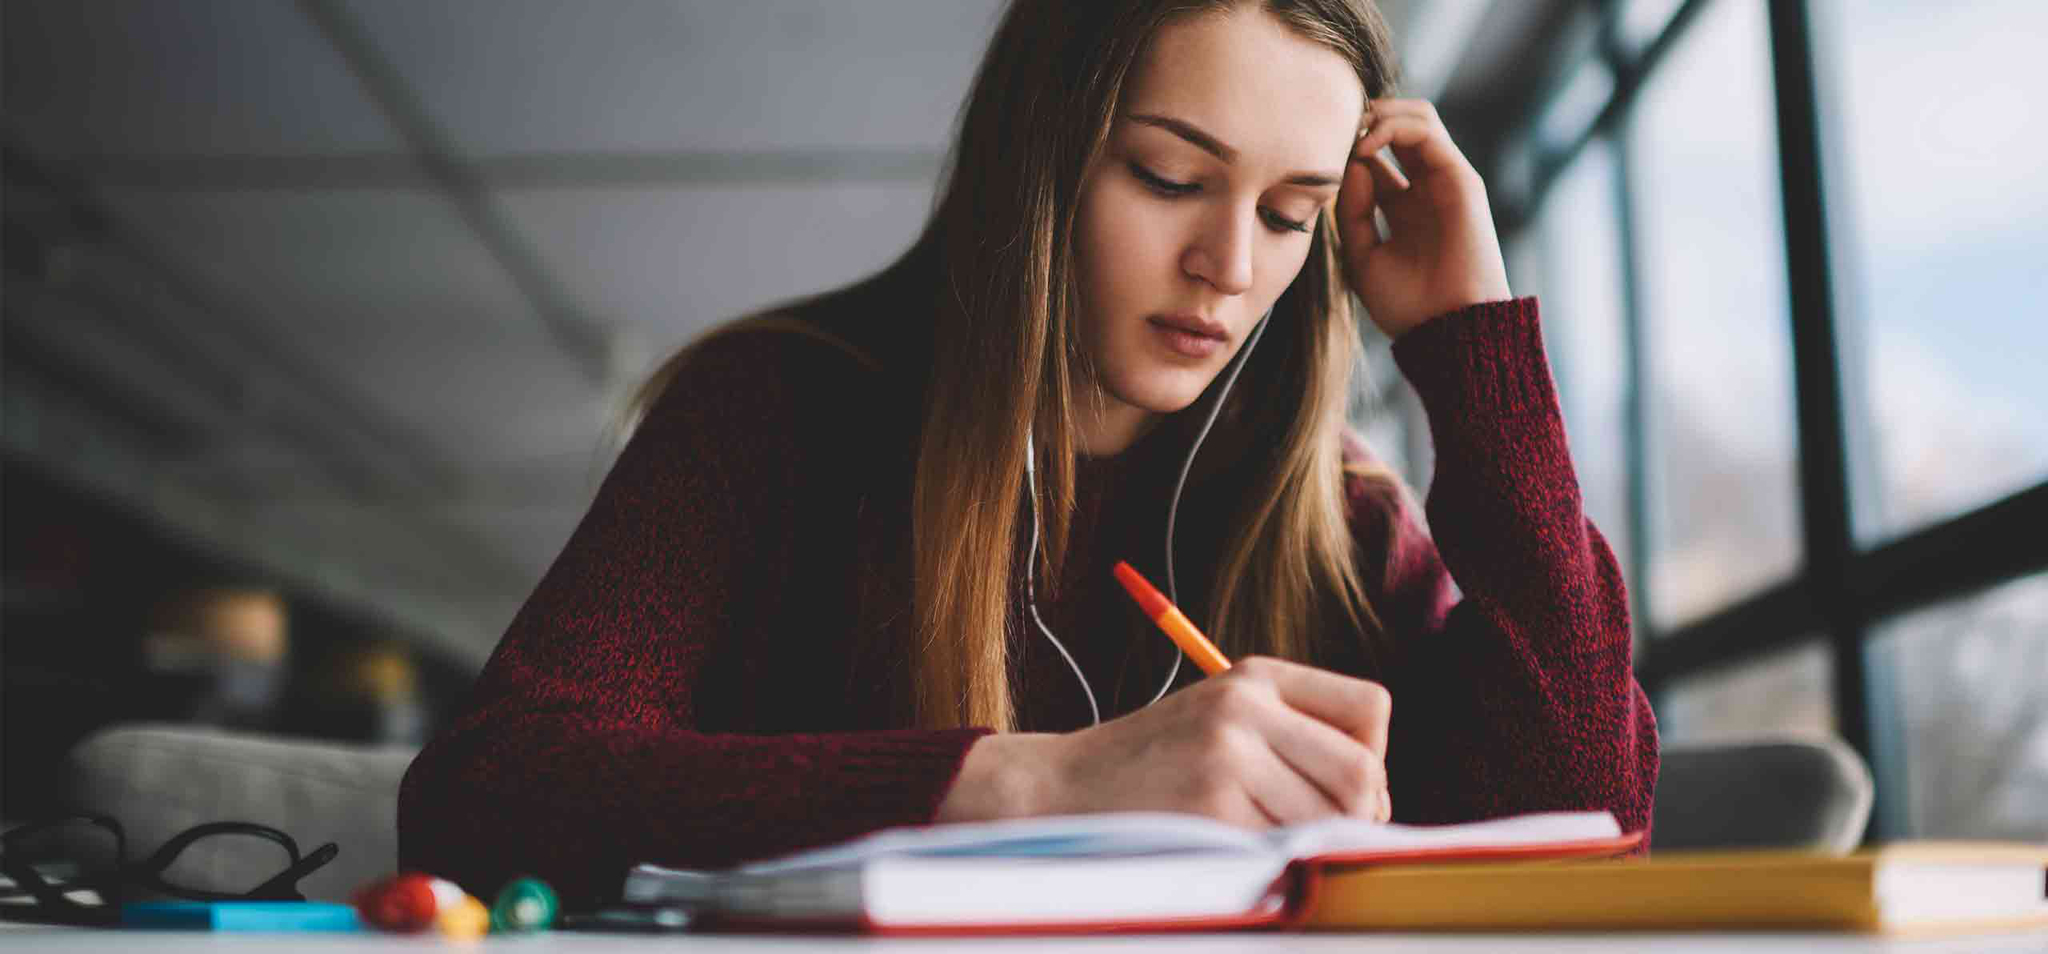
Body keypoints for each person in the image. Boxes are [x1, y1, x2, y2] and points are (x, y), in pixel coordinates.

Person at [399, 0, 1658, 908]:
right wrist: (1034, 786)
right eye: (1169, 177)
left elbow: (1592, 821)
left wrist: (1474, 358)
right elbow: (485, 793)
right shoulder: (772, 412)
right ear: (1038, 161)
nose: (1229, 268)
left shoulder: (1335, 509)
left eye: (1288, 214)